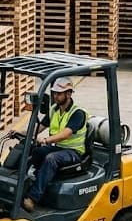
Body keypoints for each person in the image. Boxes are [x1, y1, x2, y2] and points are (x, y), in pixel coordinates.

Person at [22, 78, 87, 212]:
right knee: (36, 151)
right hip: (59, 148)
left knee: (51, 158)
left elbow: (66, 134)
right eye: (54, 93)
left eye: (59, 93)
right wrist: (24, 133)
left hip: (74, 152)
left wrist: (46, 140)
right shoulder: (54, 110)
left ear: (68, 94)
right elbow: (40, 127)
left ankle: (33, 198)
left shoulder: (77, 113)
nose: (55, 96)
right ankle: (30, 182)